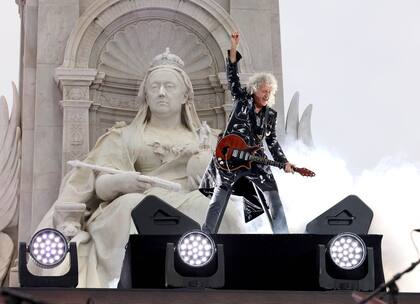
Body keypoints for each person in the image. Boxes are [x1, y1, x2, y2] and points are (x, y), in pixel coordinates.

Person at [31, 49, 245, 288]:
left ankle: (232, 282)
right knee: (133, 206)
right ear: (146, 94)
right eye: (154, 87)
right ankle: (123, 283)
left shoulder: (208, 138)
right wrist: (120, 182)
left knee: (225, 212)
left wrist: (210, 165)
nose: (161, 92)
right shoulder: (123, 136)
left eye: (169, 86)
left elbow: (234, 184)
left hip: (189, 198)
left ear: (186, 95)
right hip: (140, 198)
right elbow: (100, 185)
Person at [200, 32, 295, 234]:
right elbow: (232, 78)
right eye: (263, 90)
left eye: (270, 92)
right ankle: (206, 234)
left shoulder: (271, 115)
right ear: (254, 90)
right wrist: (233, 50)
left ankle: (283, 236)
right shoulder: (242, 100)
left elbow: (272, 142)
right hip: (230, 156)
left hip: (256, 159)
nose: (267, 94)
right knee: (220, 193)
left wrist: (284, 161)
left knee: (273, 195)